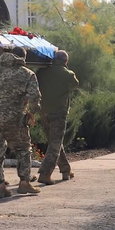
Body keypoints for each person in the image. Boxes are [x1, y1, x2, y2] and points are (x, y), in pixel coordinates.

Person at [0, 49, 42, 198]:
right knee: (23, 149)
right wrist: (32, 112)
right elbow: (34, 97)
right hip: (15, 120)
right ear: (23, 57)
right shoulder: (27, 73)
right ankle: (24, 183)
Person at [35, 49, 79, 184]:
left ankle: (66, 169)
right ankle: (45, 173)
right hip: (58, 113)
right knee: (55, 144)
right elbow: (75, 85)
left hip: (43, 112)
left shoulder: (41, 72)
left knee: (54, 142)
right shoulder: (67, 74)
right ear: (66, 61)